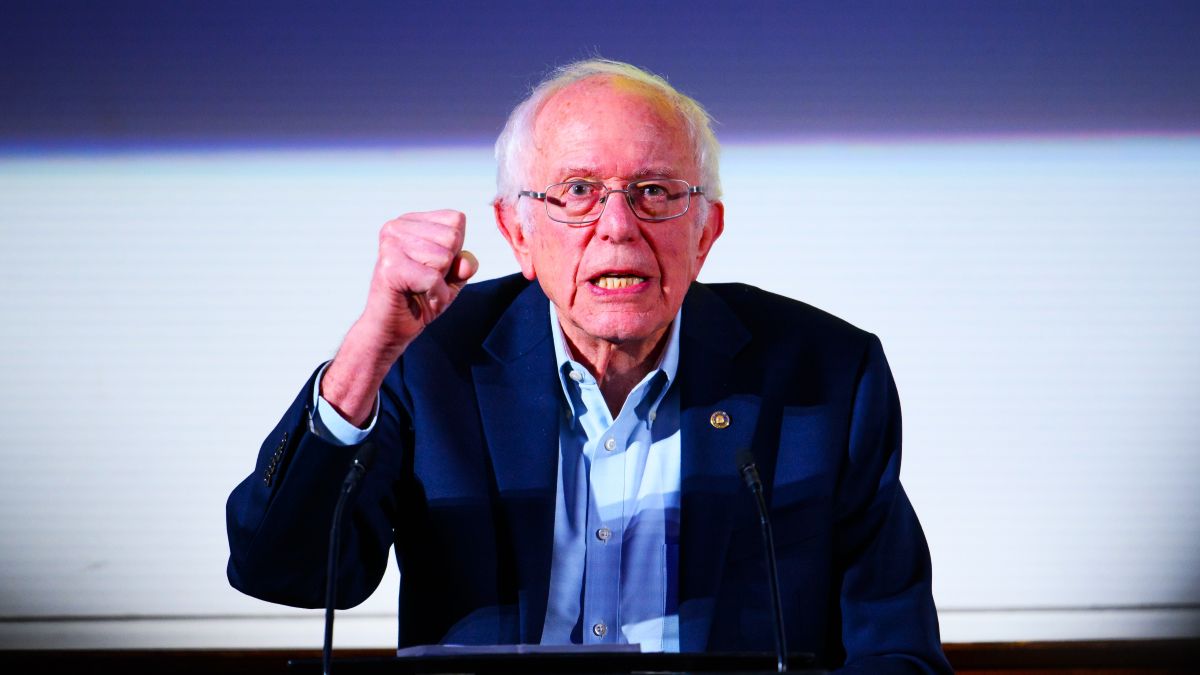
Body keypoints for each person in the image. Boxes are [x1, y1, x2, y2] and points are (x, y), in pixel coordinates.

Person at [226, 59, 952, 673]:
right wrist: (367, 353)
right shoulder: (431, 358)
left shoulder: (825, 375)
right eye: (577, 191)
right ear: (517, 232)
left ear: (706, 234)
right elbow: (281, 569)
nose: (618, 227)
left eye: (655, 192)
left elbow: (898, 652)